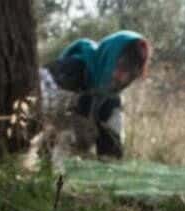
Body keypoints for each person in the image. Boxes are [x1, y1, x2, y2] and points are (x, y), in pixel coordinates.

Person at [32, 30, 152, 164]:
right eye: (121, 67)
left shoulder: (110, 99)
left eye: (131, 74)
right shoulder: (71, 70)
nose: (122, 78)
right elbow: (34, 115)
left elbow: (111, 153)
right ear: (109, 58)